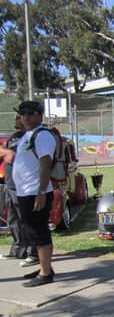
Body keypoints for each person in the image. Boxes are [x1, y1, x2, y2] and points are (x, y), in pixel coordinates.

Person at [12, 101, 56, 287]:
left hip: (35, 193)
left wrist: (40, 192)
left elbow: (46, 163)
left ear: (40, 115)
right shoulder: (28, 135)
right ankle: (44, 268)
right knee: (33, 232)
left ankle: (45, 274)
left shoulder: (42, 135)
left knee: (40, 233)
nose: (26, 116)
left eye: (31, 113)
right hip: (26, 192)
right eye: (23, 113)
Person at [0, 114, 38, 266]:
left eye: (18, 117)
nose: (16, 120)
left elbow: (13, 156)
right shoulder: (14, 137)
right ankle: (18, 248)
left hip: (23, 185)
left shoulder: (29, 137)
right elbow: (6, 154)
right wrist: (5, 151)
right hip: (10, 184)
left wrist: (6, 152)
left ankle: (33, 251)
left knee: (26, 218)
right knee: (13, 218)